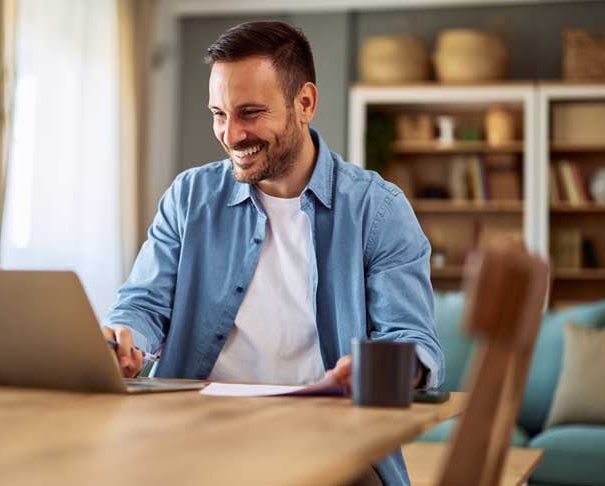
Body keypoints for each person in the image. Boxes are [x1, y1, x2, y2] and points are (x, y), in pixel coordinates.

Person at [102, 20, 444, 485]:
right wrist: (124, 338)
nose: (230, 134)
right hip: (192, 434)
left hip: (330, 440)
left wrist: (380, 368)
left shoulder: (378, 211)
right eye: (218, 113)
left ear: (304, 103)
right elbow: (143, 304)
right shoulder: (189, 196)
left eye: (250, 112)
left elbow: (412, 343)